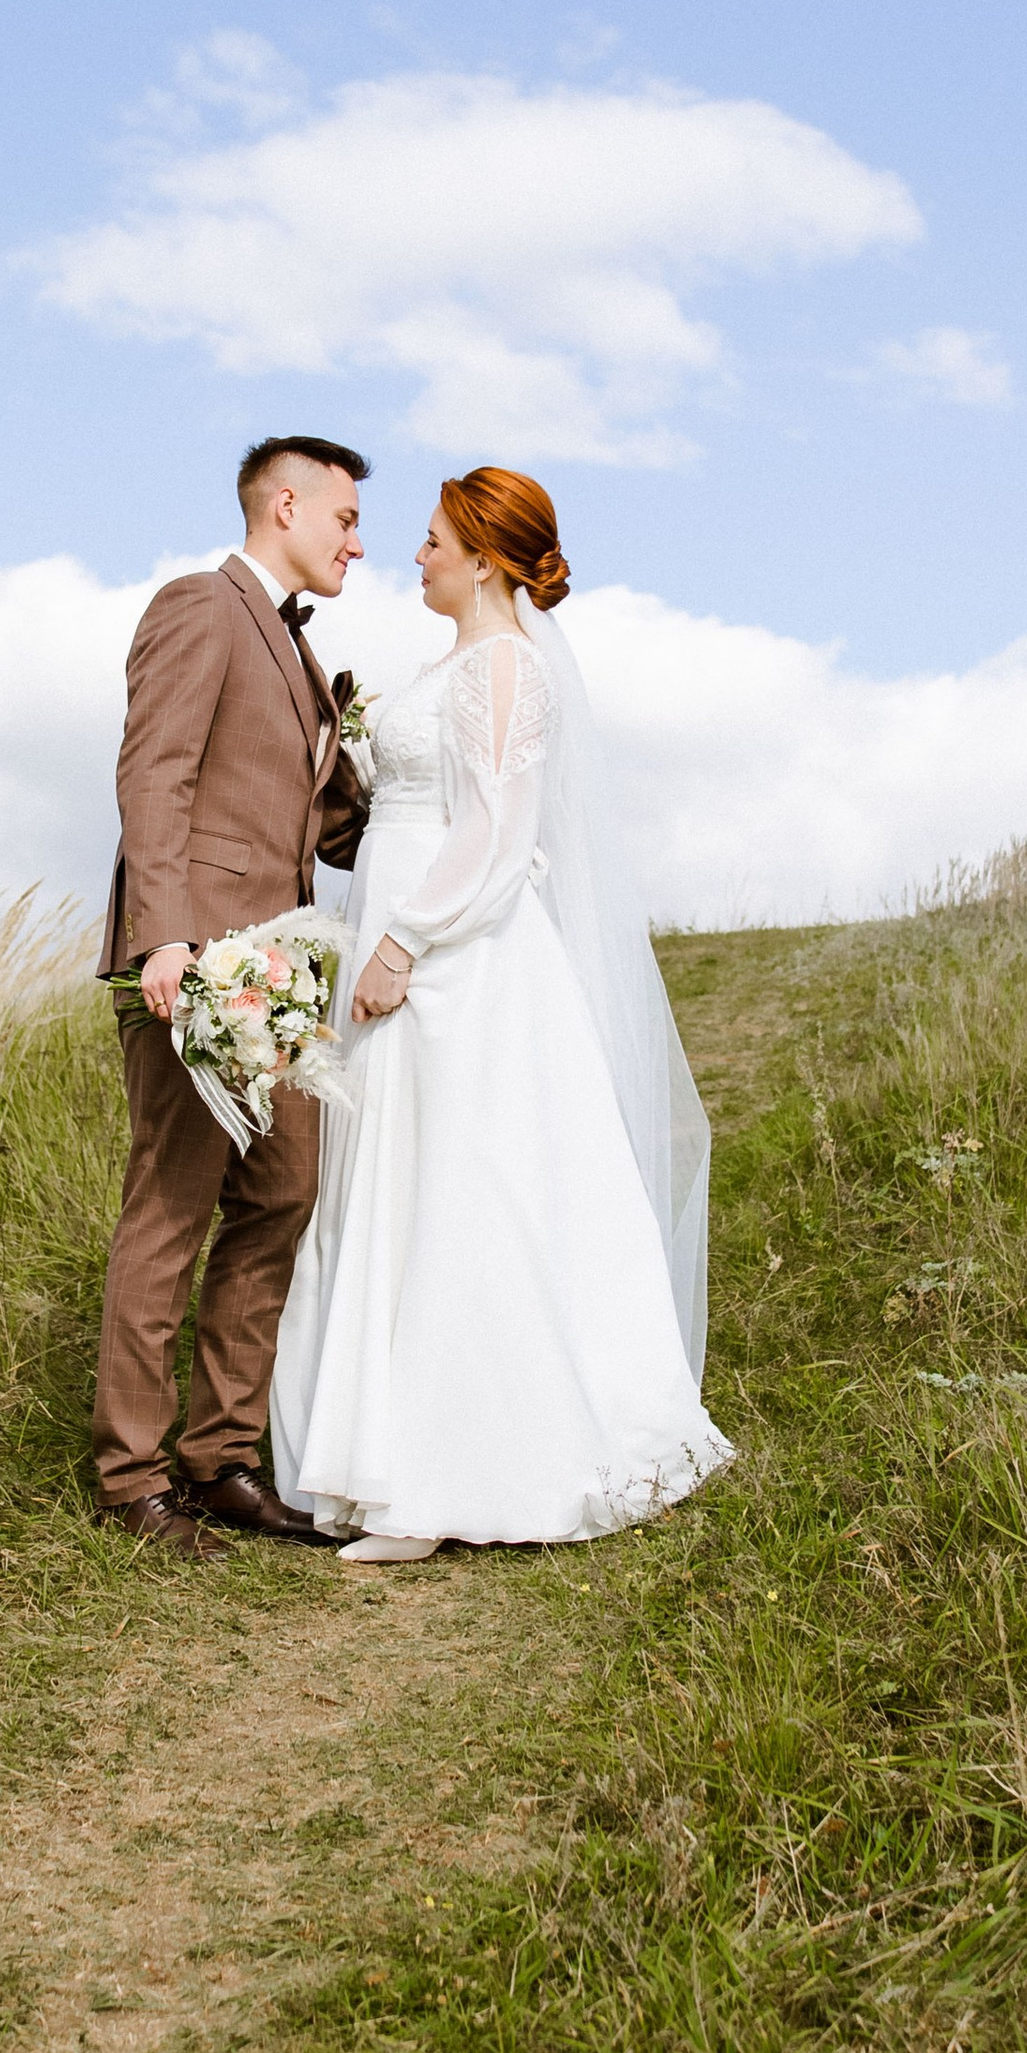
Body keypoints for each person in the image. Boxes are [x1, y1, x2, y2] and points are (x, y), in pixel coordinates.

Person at [270, 467, 730, 1563]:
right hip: (402, 935)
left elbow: (496, 833)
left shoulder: (510, 671)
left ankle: (443, 1479)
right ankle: (373, 1461)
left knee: (457, 1184)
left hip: (453, 956)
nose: (412, 555)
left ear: (483, 557)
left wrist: (402, 942)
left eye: (432, 540)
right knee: (393, 1178)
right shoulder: (452, 665)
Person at [92, 435, 373, 1552]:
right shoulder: (199, 606)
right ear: (287, 505)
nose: (358, 541)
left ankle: (220, 1460)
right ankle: (131, 1482)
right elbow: (152, 772)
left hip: (280, 986)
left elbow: (322, 824)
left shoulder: (305, 659)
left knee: (282, 1194)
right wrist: (164, 939)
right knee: (167, 1215)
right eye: (346, 519)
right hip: (191, 972)